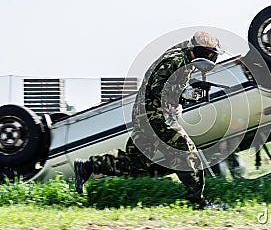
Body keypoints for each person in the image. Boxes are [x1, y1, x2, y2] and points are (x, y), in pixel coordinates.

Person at [74, 31, 226, 209]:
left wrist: (183, 96)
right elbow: (156, 87)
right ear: (201, 52)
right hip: (154, 115)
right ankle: (199, 202)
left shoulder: (185, 57)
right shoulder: (176, 60)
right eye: (211, 55)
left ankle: (87, 167)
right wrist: (181, 94)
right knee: (186, 150)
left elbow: (168, 85)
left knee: (137, 162)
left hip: (145, 114)